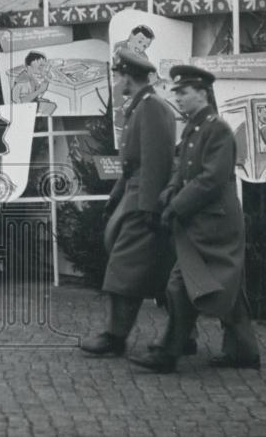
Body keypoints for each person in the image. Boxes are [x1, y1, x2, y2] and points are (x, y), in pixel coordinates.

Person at [131, 64, 261, 373]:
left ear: (202, 93)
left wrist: (176, 206)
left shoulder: (217, 129)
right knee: (223, 287)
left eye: (184, 92)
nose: (178, 98)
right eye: (176, 92)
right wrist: (167, 194)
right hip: (203, 221)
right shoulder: (195, 127)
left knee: (181, 286)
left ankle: (168, 353)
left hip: (215, 225)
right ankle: (244, 351)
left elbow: (211, 179)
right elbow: (184, 170)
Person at [79, 49, 177, 358]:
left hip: (142, 201)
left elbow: (155, 161)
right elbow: (132, 164)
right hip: (136, 196)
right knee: (156, 272)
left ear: (127, 77)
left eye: (117, 75)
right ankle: (183, 335)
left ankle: (114, 337)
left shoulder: (151, 108)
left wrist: (148, 207)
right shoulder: (142, 106)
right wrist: (116, 196)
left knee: (123, 269)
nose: (115, 81)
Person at [11, 51, 57, 116]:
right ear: (29, 67)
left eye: (44, 66)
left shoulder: (32, 77)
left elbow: (38, 92)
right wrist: (39, 91)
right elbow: (21, 101)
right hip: (22, 108)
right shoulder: (23, 81)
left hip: (31, 103)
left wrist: (46, 80)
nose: (44, 68)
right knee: (49, 107)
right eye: (40, 66)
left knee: (51, 105)